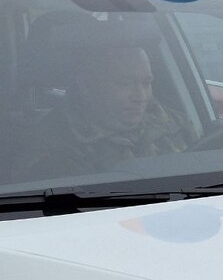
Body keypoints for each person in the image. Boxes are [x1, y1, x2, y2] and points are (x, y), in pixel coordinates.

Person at [14, 45, 197, 181]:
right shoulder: (55, 144)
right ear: (86, 85)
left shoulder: (175, 124)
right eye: (125, 83)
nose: (141, 96)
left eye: (146, 83)